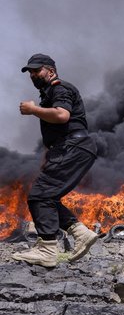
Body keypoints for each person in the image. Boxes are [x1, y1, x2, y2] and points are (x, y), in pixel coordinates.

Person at [12, 53, 99, 268]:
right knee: (47, 195)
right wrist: (47, 157)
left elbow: (62, 116)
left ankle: (47, 249)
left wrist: (33, 110)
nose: (32, 74)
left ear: (50, 71)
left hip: (74, 147)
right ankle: (81, 234)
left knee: (39, 196)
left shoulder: (60, 88)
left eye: (36, 70)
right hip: (68, 148)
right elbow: (56, 132)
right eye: (30, 72)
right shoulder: (48, 93)